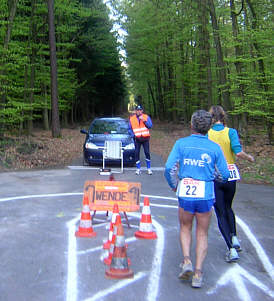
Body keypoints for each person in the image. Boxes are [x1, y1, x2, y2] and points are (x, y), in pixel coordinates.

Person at [165, 110, 230, 288]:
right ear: (208, 128)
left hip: (185, 192)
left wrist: (174, 184)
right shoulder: (214, 148)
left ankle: (187, 261)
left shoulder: (181, 144)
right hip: (205, 195)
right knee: (202, 232)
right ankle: (198, 273)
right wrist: (213, 177)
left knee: (185, 227)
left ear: (191, 125)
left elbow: (169, 167)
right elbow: (224, 174)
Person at [208, 105, 254, 262]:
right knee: (228, 207)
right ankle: (234, 237)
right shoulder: (231, 132)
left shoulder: (207, 134)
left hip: (215, 175)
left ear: (211, 118)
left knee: (220, 211)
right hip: (231, 174)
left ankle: (230, 248)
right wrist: (249, 158)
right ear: (223, 117)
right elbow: (238, 152)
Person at [129, 105, 153, 175]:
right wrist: (133, 135)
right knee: (136, 153)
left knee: (147, 152)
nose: (139, 111)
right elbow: (129, 129)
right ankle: (138, 169)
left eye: (140, 110)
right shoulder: (132, 118)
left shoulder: (146, 117)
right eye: (137, 110)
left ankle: (149, 169)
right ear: (135, 111)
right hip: (137, 139)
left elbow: (150, 126)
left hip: (145, 138)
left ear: (142, 111)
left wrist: (144, 120)